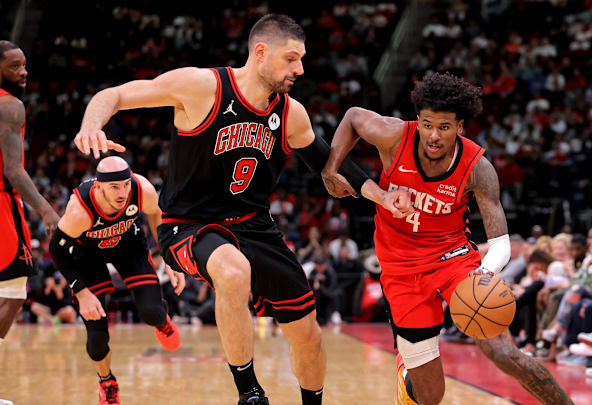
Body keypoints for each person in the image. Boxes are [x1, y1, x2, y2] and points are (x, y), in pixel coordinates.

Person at [73, 14, 411, 405]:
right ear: (261, 53)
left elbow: (327, 162)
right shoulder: (202, 87)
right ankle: (250, 393)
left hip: (255, 227)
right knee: (233, 270)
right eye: (291, 58)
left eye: (302, 60)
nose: (300, 69)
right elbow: (113, 95)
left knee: (309, 336)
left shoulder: (290, 113)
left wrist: (383, 196)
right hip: (189, 224)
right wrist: (92, 125)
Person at [323, 72, 572, 405]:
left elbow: (500, 242)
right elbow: (353, 116)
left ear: (460, 126)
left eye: (444, 127)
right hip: (400, 267)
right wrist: (331, 167)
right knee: (431, 396)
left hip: (452, 257)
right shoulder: (394, 137)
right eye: (427, 125)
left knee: (505, 354)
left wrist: (483, 278)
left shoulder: (477, 168)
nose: (433, 135)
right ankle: (407, 376)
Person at [49, 156, 184, 404]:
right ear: (99, 187)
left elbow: (156, 214)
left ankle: (161, 319)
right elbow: (56, 250)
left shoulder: (142, 188)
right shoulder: (80, 211)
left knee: (151, 312)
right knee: (97, 336)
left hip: (127, 244)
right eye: (114, 187)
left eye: (125, 185)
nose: (122, 192)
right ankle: (107, 383)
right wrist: (81, 292)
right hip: (87, 254)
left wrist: (168, 257)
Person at [0, 40, 60, 344]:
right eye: (14, 67)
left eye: (24, 64)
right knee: (13, 290)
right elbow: (13, 169)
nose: (23, 72)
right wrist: (45, 209)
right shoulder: (9, 105)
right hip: (2, 206)